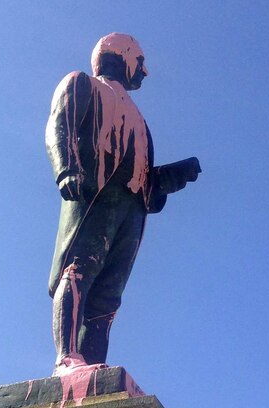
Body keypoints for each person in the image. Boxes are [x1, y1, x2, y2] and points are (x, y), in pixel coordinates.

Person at [46, 33, 200, 376]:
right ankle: (67, 357)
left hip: (131, 209)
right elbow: (61, 124)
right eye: (141, 62)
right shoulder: (82, 83)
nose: (145, 72)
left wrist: (171, 177)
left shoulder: (140, 120)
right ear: (122, 54)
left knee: (109, 294)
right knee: (79, 270)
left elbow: (143, 173)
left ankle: (93, 364)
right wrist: (67, 170)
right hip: (95, 194)